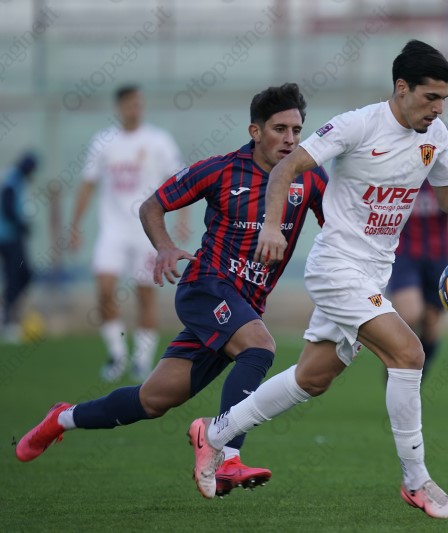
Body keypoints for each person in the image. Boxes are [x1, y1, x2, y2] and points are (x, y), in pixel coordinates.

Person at [189, 40, 448, 519]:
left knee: (312, 378)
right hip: (337, 266)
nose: (438, 108)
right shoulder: (358, 125)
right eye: (430, 97)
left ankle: (213, 434)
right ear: (401, 88)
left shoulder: (436, 136)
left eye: (444, 99)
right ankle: (417, 482)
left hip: (374, 273)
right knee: (409, 353)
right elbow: (286, 168)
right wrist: (273, 227)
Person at [15, 83, 328, 498]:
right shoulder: (220, 170)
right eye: (279, 129)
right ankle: (226, 456)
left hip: (244, 306)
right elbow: (152, 205)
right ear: (255, 131)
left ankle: (62, 418)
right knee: (260, 347)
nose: (290, 139)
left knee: (152, 400)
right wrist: (164, 246)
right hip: (205, 287)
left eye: (297, 130)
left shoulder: (310, 177)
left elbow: (337, 225)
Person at [69, 84, 187, 382]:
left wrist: (182, 219)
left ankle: (142, 361)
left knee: (145, 293)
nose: (136, 109)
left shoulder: (158, 140)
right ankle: (117, 353)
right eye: (130, 104)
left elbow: (179, 179)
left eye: (139, 103)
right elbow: (88, 183)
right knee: (104, 288)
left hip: (146, 231)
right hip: (113, 230)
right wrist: (75, 226)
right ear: (120, 107)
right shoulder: (103, 142)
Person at [387, 132, 448, 377]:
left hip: (438, 251)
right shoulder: (393, 141)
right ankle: (398, 368)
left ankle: (417, 372)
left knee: (430, 321)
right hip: (402, 249)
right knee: (409, 314)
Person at [0, 151, 38, 343]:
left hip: (12, 236)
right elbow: (7, 207)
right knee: (15, 277)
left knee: (24, 275)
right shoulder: (13, 179)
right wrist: (21, 224)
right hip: (8, 237)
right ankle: (6, 320)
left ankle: (6, 312)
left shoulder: (17, 179)